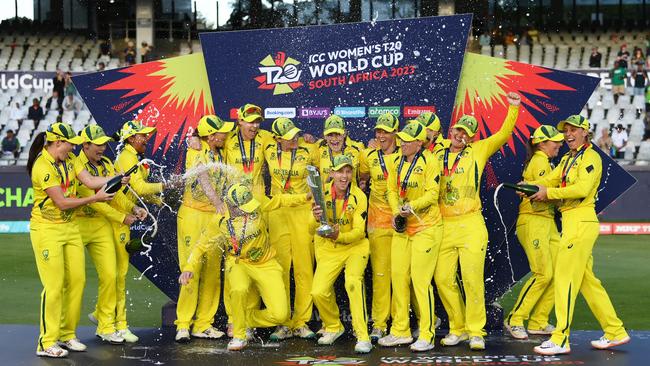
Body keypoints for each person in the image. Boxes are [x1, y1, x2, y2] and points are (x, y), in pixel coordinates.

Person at [526, 115, 630, 355]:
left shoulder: (591, 157)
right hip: (573, 221)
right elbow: (549, 179)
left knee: (564, 280)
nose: (568, 134)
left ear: (585, 132)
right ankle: (615, 331)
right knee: (587, 282)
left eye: (574, 129)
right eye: (566, 130)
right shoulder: (568, 158)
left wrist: (548, 192)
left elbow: (581, 189)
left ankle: (560, 338)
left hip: (580, 220)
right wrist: (531, 186)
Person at [26, 122, 123, 357]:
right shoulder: (43, 166)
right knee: (54, 286)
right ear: (58, 142)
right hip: (46, 230)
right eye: (70, 144)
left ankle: (67, 335)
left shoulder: (68, 160)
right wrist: (95, 199)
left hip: (69, 227)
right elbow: (61, 202)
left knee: (78, 281)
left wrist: (117, 177)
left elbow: (89, 181)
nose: (73, 149)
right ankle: (46, 341)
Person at [433, 92, 521, 351]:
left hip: (471, 223)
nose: (461, 135)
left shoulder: (478, 150)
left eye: (467, 133)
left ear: (472, 136)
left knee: (472, 280)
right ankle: (457, 327)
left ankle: (475, 331)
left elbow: (503, 135)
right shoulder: (437, 153)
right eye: (459, 130)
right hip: (444, 225)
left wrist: (513, 108)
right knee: (442, 279)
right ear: (452, 130)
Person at [179, 183, 311, 351]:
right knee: (239, 289)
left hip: (266, 263)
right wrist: (189, 267)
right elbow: (201, 245)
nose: (249, 210)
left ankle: (244, 318)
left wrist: (304, 197)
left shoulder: (255, 202)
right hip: (238, 262)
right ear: (232, 206)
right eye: (244, 208)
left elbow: (280, 200)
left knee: (280, 314)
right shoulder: (219, 219)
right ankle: (239, 335)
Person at [75, 124, 147, 344]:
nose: (103, 148)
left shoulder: (106, 164)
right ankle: (60, 334)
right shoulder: (77, 165)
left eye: (105, 143)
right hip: (77, 225)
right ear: (85, 145)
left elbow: (115, 196)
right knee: (73, 282)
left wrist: (132, 209)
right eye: (97, 145)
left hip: (101, 226)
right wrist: (122, 217)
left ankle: (107, 325)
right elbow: (95, 201)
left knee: (112, 276)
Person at [377, 120, 443, 352]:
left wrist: (411, 207)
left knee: (420, 281)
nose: (402, 143)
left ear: (419, 142)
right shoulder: (395, 160)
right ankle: (401, 330)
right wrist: (397, 211)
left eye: (407, 140)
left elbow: (433, 195)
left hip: (426, 227)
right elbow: (391, 190)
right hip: (403, 227)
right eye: (402, 139)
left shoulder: (430, 161)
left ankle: (427, 333)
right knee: (398, 277)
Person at [109, 120, 174, 343]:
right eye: (142, 136)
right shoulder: (127, 158)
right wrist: (166, 186)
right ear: (130, 139)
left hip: (124, 216)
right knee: (118, 275)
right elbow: (140, 188)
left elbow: (140, 192)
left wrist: (159, 201)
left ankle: (102, 315)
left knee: (116, 274)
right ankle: (119, 325)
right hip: (119, 219)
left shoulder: (132, 157)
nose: (146, 139)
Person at [174, 115, 234, 342]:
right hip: (193, 214)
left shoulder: (219, 151)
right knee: (191, 269)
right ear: (211, 136)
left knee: (212, 274)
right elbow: (203, 177)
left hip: (214, 217)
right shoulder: (195, 152)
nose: (225, 135)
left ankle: (203, 324)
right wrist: (217, 201)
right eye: (221, 133)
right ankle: (183, 324)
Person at [503, 125, 564, 340]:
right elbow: (538, 193)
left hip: (546, 221)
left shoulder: (545, 161)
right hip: (534, 220)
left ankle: (538, 321)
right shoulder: (540, 160)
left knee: (558, 274)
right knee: (544, 273)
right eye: (555, 141)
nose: (559, 144)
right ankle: (515, 319)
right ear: (542, 143)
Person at [310, 155, 372, 353]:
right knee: (318, 291)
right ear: (332, 173)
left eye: (348, 171)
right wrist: (314, 218)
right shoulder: (321, 193)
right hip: (330, 248)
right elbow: (310, 228)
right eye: (340, 171)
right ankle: (334, 326)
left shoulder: (359, 196)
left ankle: (363, 336)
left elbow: (359, 232)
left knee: (352, 283)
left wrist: (339, 236)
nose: (344, 176)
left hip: (355, 246)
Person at [264, 117, 318, 341]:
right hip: (277, 212)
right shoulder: (266, 145)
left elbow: (332, 147)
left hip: (303, 210)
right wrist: (195, 138)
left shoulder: (309, 149)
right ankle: (283, 322)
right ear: (277, 138)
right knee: (280, 269)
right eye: (288, 137)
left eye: (296, 134)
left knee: (304, 268)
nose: (294, 138)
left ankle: (301, 322)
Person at [358, 113, 400, 341]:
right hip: (376, 222)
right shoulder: (368, 155)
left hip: (401, 224)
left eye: (386, 131)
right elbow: (363, 176)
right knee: (381, 275)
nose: (381, 136)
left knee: (401, 276)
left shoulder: (406, 155)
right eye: (378, 131)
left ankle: (399, 324)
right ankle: (379, 323)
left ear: (395, 133)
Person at [316, 114, 365, 186]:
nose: (334, 139)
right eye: (330, 135)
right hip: (327, 196)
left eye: (338, 134)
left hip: (351, 196)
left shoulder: (358, 148)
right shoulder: (317, 148)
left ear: (345, 133)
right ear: (324, 136)